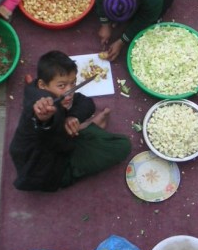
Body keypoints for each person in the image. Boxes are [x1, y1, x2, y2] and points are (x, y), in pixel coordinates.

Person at [9, 51, 131, 192]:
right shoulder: (40, 108)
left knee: (80, 121)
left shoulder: (55, 93)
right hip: (45, 171)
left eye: (73, 83)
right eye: (62, 86)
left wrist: (72, 117)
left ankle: (85, 128)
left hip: (61, 141)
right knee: (123, 145)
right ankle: (90, 128)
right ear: (42, 85)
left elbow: (86, 102)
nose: (70, 91)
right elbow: (41, 123)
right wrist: (44, 119)